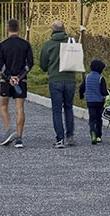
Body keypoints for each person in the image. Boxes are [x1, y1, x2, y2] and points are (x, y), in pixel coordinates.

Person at [38, 20, 78, 148]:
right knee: (68, 108)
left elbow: (43, 65)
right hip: (70, 79)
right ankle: (70, 136)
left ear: (52, 30)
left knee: (57, 110)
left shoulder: (48, 44)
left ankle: (60, 139)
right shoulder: (72, 41)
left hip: (55, 80)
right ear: (64, 29)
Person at [0, 18, 34, 148]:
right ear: (19, 29)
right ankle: (19, 138)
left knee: (3, 106)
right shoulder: (26, 44)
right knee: (19, 108)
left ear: (8, 29)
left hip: (5, 81)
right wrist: (19, 76)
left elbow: (0, 63)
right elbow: (30, 63)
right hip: (21, 81)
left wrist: (9, 77)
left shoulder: (2, 44)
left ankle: (8, 131)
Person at [79, 58, 109, 144]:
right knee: (99, 118)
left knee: (92, 118)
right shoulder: (101, 78)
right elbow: (103, 91)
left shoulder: (87, 77)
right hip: (99, 101)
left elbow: (81, 88)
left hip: (90, 101)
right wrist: (108, 92)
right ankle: (98, 136)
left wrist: (81, 95)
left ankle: (92, 131)